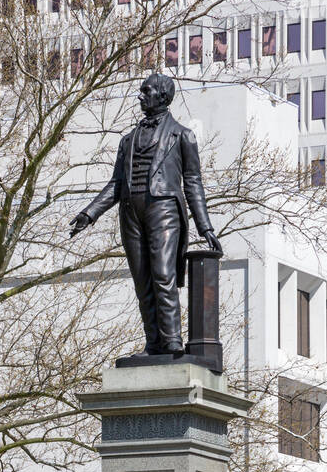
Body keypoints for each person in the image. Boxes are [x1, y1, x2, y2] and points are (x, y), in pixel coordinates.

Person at [70, 73, 221, 355]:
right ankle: (153, 343)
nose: (140, 96)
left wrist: (205, 227)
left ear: (162, 96)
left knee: (163, 276)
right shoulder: (128, 140)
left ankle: (172, 342)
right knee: (142, 280)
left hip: (163, 208)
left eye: (146, 91)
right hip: (131, 212)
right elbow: (116, 183)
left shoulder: (182, 136)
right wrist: (90, 214)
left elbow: (193, 182)